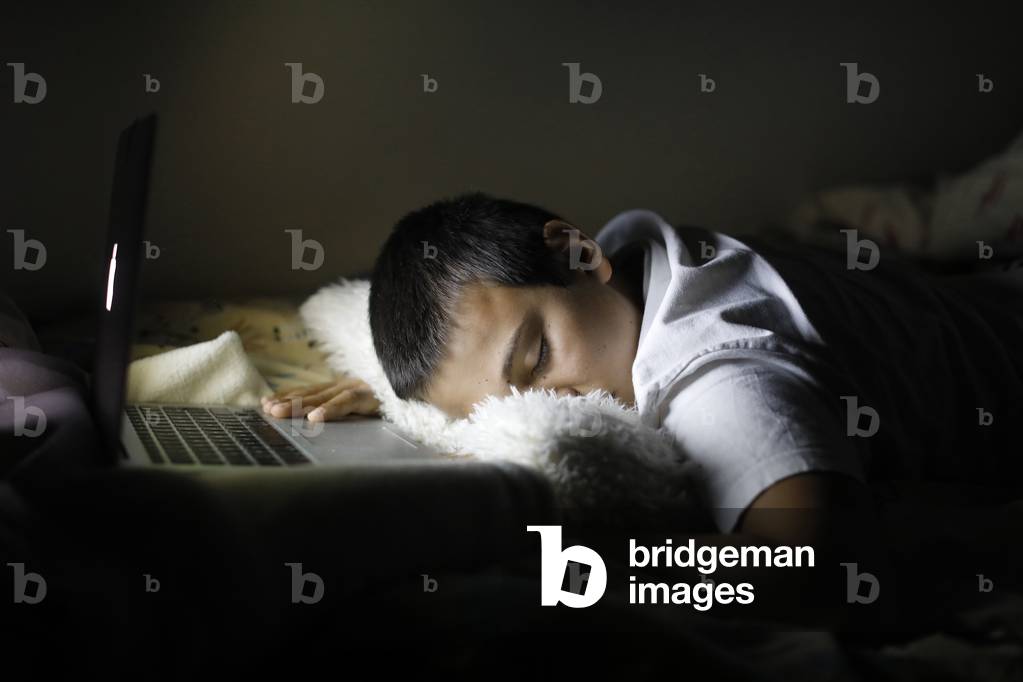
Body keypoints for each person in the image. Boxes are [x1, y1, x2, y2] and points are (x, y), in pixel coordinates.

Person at [261, 192, 1023, 624]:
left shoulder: (722, 378)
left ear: (574, 254)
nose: (549, 411)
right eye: (498, 408)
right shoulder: (639, 259)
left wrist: (556, 568)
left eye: (536, 361)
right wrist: (414, 408)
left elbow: (807, 569)